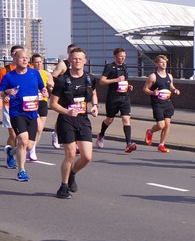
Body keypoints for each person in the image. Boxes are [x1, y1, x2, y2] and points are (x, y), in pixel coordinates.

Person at [50, 47, 98, 199]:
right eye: (74, 58)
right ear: (70, 60)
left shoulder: (90, 78)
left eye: (80, 59)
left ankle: (72, 173)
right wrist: (67, 111)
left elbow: (94, 93)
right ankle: (63, 187)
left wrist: (95, 106)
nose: (77, 61)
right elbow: (53, 104)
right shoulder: (62, 80)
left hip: (83, 120)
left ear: (85, 61)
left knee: (87, 157)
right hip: (66, 120)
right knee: (70, 154)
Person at [0, 45, 47, 183]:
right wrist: (7, 92)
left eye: (26, 58)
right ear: (15, 59)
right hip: (17, 112)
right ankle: (21, 171)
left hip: (32, 111)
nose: (25, 60)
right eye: (21, 58)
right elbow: (0, 92)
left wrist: (44, 91)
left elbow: (42, 87)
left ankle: (10, 152)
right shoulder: (9, 76)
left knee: (29, 146)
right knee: (23, 140)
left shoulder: (34, 73)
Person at [96, 48, 139, 153]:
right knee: (109, 120)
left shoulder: (124, 66)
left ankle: (128, 144)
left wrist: (128, 86)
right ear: (115, 56)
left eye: (124, 56)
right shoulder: (109, 67)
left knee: (126, 119)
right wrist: (116, 80)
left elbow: (124, 80)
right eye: (121, 56)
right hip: (113, 97)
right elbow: (102, 81)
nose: (123, 58)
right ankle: (101, 135)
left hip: (124, 97)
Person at [143, 54, 179, 152]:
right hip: (157, 103)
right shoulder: (153, 76)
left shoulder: (169, 76)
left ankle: (161, 144)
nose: (164, 64)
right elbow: (145, 89)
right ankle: (150, 132)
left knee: (167, 124)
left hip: (167, 103)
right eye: (161, 62)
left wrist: (175, 90)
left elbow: (171, 86)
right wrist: (152, 92)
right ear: (157, 64)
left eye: (165, 62)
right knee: (160, 125)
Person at [28, 53, 52, 160]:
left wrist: (50, 87)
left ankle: (32, 147)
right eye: (36, 62)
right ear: (32, 63)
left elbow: (52, 87)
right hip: (32, 103)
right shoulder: (29, 73)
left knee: (40, 129)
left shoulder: (46, 74)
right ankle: (30, 147)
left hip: (43, 102)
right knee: (37, 126)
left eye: (40, 62)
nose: (38, 64)